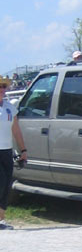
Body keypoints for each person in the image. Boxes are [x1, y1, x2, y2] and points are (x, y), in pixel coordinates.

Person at [0, 76, 27, 230]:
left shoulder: (10, 108)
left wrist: (23, 150)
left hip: (6, 150)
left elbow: (16, 130)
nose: (2, 89)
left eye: (4, 86)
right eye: (0, 87)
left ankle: (1, 218)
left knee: (6, 184)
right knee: (1, 181)